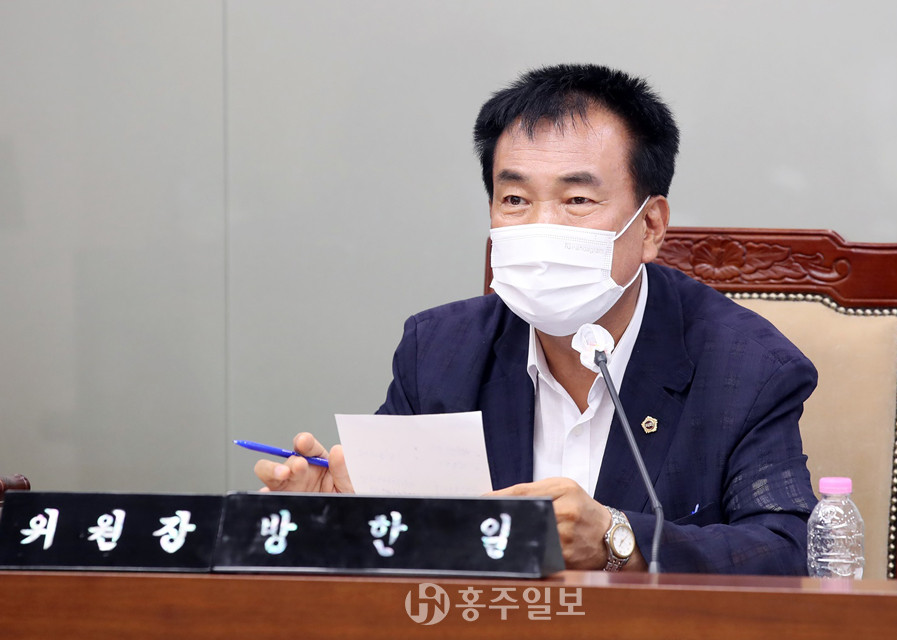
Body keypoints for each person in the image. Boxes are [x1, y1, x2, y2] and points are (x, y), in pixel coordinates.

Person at [255, 64, 818, 575]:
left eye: (577, 201)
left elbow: (790, 551)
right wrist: (331, 517)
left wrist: (620, 541)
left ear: (650, 227)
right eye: (516, 200)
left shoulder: (747, 367)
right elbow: (401, 534)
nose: (541, 228)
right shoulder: (439, 352)